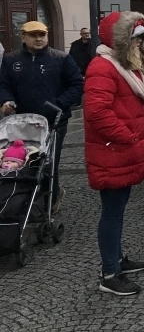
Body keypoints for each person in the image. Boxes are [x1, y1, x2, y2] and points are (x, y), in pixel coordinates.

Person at [84, 11, 144, 296]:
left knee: (118, 209)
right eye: (135, 40)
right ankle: (109, 272)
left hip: (120, 152)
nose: (140, 45)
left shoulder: (123, 65)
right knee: (112, 213)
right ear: (122, 41)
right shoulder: (103, 67)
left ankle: (116, 258)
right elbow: (96, 112)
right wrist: (129, 137)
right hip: (113, 152)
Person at [0, 21, 83, 214]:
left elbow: (77, 84)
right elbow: (3, 84)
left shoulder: (61, 58)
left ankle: (50, 198)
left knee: (49, 162)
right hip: (22, 122)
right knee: (24, 162)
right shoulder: (11, 59)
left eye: (42, 35)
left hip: (54, 121)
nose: (38, 39)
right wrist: (6, 100)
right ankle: (22, 198)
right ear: (23, 37)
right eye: (33, 35)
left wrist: (59, 104)